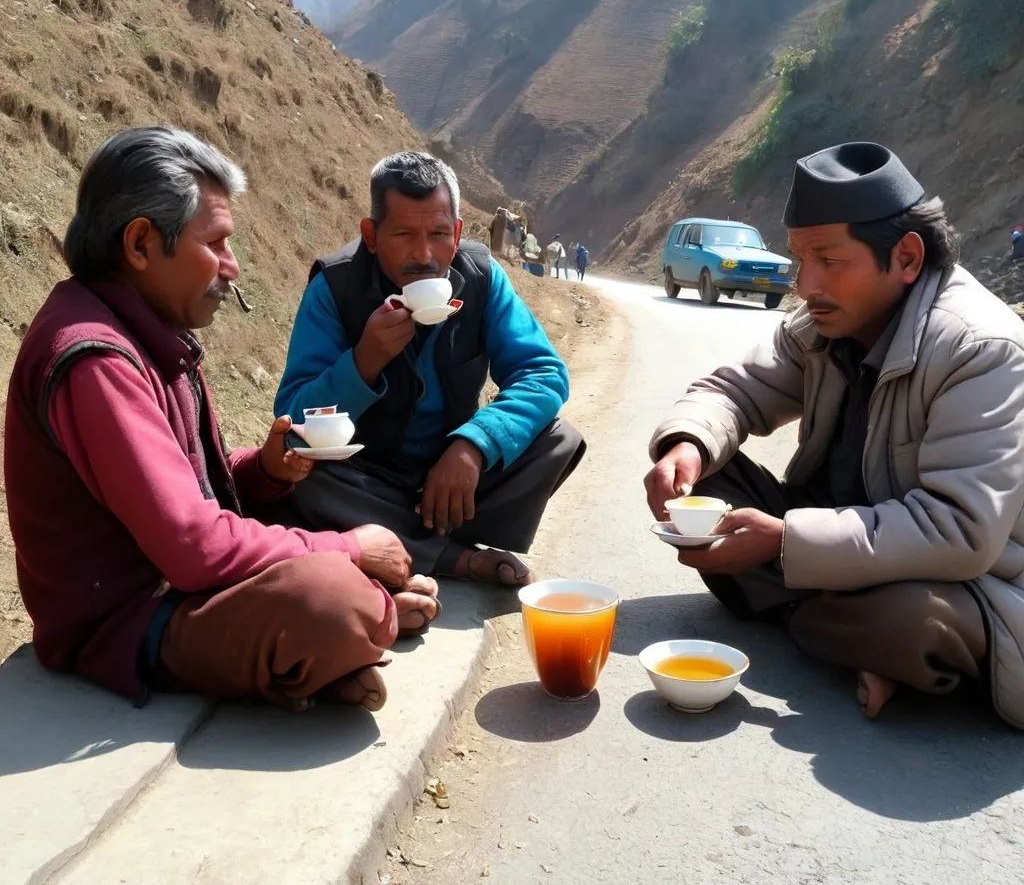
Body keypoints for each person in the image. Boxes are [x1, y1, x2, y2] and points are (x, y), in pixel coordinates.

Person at [5, 127, 440, 713]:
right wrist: (348, 550)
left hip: (180, 584)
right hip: (129, 618)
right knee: (333, 598)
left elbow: (185, 491)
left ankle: (316, 653)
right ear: (140, 244)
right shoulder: (96, 360)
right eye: (216, 243)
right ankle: (330, 639)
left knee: (322, 512)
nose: (232, 268)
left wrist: (262, 471)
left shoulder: (149, 328)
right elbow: (193, 546)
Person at [645, 141, 1024, 728]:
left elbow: (959, 530)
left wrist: (781, 545)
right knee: (709, 480)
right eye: (800, 259)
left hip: (957, 576)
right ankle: (847, 634)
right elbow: (736, 390)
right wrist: (687, 445)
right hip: (835, 535)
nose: (806, 284)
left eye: (828, 259)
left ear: (905, 257)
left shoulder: (981, 350)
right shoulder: (822, 324)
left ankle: (839, 621)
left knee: (907, 622)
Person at [274, 152, 585, 585]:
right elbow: (291, 418)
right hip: (364, 476)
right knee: (307, 481)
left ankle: (400, 537)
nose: (424, 255)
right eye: (402, 234)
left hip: (455, 478)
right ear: (371, 235)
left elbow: (542, 372)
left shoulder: (481, 278)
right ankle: (455, 558)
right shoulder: (335, 287)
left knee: (559, 439)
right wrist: (363, 361)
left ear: (456, 234)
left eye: (439, 234)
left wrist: (473, 446)